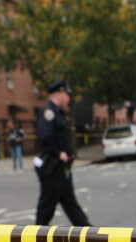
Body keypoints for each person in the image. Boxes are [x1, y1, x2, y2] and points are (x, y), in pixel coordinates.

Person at [34, 80, 90, 227]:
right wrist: (59, 153)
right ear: (59, 93)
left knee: (69, 202)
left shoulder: (57, 112)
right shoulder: (49, 112)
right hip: (53, 167)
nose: (68, 99)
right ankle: (35, 237)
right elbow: (45, 137)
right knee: (47, 204)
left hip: (60, 168)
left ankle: (87, 232)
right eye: (67, 94)